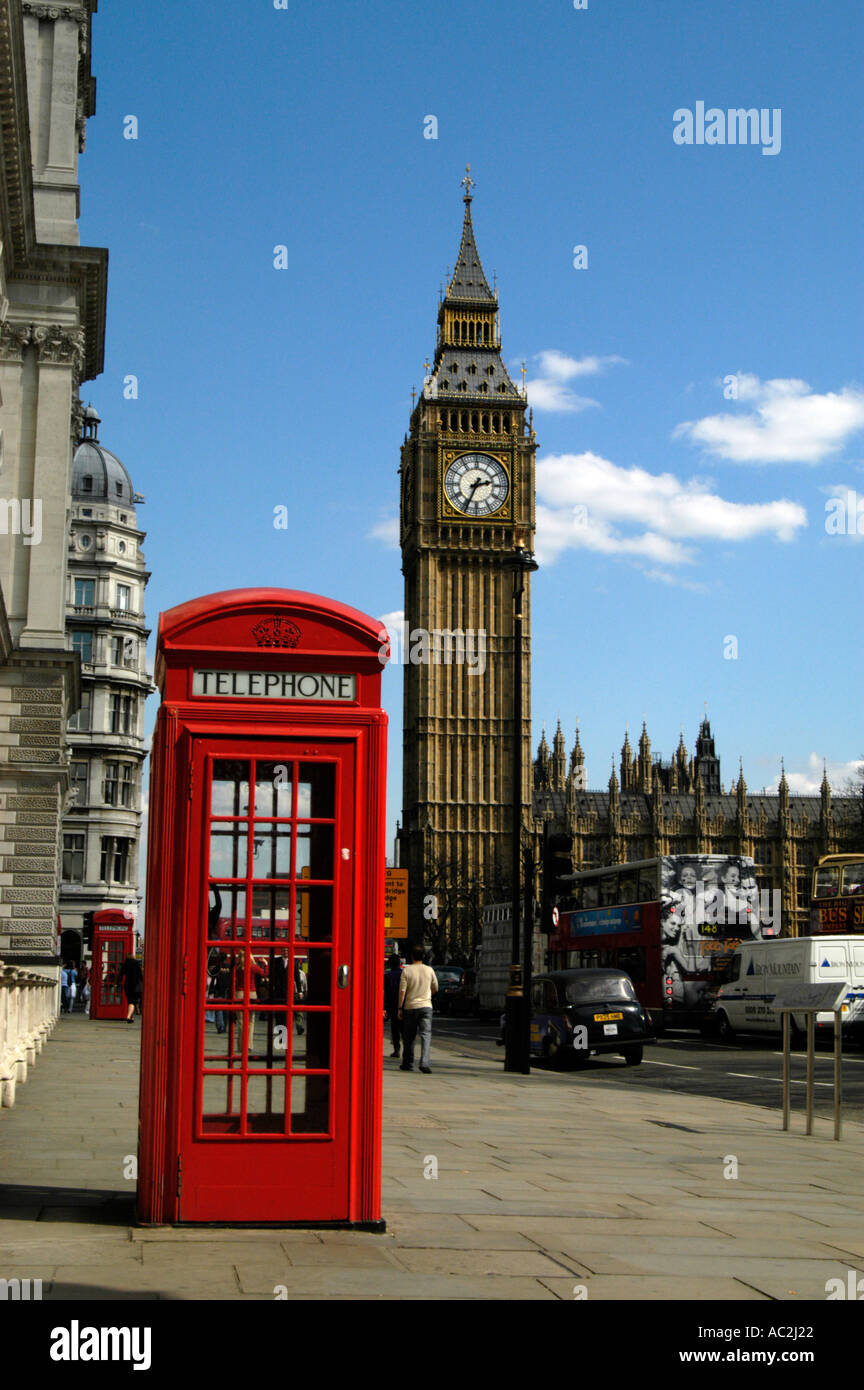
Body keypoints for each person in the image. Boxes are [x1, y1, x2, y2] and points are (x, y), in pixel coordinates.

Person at [397, 944, 438, 1073]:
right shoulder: (429, 970)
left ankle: (408, 1063)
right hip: (426, 1006)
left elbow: (402, 991)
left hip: (410, 1006)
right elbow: (435, 988)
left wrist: (400, 1008)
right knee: (426, 1035)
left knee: (409, 1036)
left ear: (411, 956)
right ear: (424, 956)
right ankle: (424, 1063)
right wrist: (428, 995)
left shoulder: (407, 971)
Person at [383, 952, 403, 1058]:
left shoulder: (387, 976)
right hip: (404, 1004)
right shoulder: (404, 974)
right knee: (405, 1029)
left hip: (392, 1004)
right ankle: (408, 1050)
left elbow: (384, 992)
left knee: (395, 1029)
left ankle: (397, 1049)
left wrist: (384, 1007)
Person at [118, 955, 143, 1023]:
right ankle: (128, 1016)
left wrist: (117, 983)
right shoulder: (136, 964)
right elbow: (140, 975)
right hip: (135, 985)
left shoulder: (125, 964)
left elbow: (120, 974)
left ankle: (131, 1017)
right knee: (132, 1002)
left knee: (130, 1001)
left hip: (127, 985)